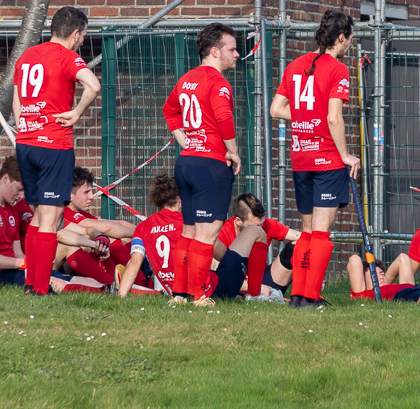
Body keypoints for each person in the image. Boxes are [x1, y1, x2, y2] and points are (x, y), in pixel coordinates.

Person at [269, 11, 360, 309]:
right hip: (326, 158)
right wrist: (345, 155)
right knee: (321, 231)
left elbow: (276, 109)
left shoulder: (296, 65)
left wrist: (308, 119)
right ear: (341, 37)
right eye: (350, 38)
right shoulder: (337, 70)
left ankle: (299, 296)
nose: (351, 44)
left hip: (301, 157)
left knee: (307, 231)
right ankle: (309, 296)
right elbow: (334, 117)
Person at [14, 6, 101, 295]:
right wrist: (76, 112)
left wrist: (24, 127)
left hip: (26, 141)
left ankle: (30, 283)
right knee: (51, 220)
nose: (83, 42)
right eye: (83, 36)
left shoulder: (27, 56)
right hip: (53, 144)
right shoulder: (67, 57)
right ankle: (40, 288)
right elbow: (93, 85)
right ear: (75, 33)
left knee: (38, 217)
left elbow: (17, 102)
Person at [162, 22, 242, 306]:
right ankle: (197, 295)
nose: (237, 54)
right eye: (231, 49)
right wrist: (233, 151)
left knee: (188, 231)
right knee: (206, 235)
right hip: (210, 165)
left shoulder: (187, 79)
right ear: (214, 51)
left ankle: (179, 294)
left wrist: (182, 138)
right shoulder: (217, 82)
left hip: (186, 163)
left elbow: (169, 109)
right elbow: (223, 117)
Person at [0, 156, 107, 293]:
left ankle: (111, 287)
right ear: (6, 179)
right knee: (54, 282)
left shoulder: (12, 210)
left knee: (79, 279)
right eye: (20, 189)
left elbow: (17, 251)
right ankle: (107, 291)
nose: (22, 195)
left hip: (19, 268)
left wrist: (29, 265)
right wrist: (22, 263)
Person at [58, 167, 138, 287]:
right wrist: (144, 234)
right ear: (69, 195)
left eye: (91, 191)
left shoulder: (80, 213)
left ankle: (130, 282)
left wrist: (143, 231)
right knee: (105, 239)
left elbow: (117, 223)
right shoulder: (67, 212)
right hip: (54, 267)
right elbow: (106, 227)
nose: (92, 196)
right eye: (86, 192)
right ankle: (117, 285)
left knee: (115, 238)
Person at [215, 193, 300, 300]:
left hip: (264, 282)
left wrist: (313, 273)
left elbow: (303, 238)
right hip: (238, 285)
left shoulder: (267, 225)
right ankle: (255, 295)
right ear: (238, 221)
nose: (260, 229)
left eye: (262, 224)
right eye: (256, 227)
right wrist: (257, 288)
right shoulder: (223, 233)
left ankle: (303, 295)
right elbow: (218, 275)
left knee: (298, 246)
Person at [118, 175, 184, 297]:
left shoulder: (143, 227)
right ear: (180, 198)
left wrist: (121, 295)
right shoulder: (187, 222)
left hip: (171, 289)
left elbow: (135, 262)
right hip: (194, 287)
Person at [346, 253, 416, 301]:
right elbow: (354, 260)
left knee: (404, 257)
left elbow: (402, 258)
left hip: (414, 290)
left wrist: (385, 282)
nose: (381, 277)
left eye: (382, 274)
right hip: (413, 296)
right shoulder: (363, 296)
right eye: (374, 276)